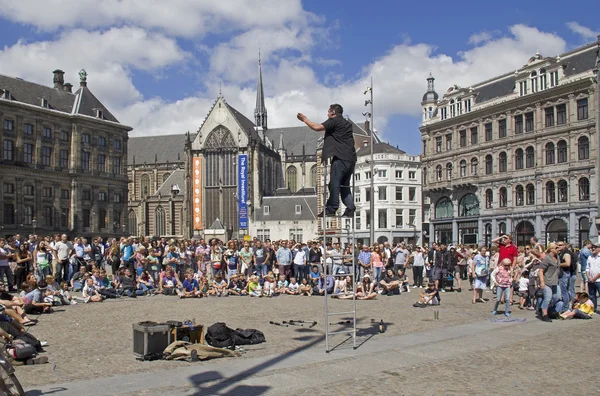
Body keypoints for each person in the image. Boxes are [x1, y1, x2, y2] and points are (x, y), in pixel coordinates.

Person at [297, 104, 357, 217]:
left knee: (334, 184)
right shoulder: (347, 124)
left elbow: (316, 127)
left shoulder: (334, 121)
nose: (327, 114)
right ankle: (350, 208)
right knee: (345, 185)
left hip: (340, 158)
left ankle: (331, 208)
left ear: (333, 112)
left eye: (328, 112)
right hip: (351, 159)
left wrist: (305, 119)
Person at [586, 243, 600, 312]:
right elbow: (587, 268)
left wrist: (594, 278)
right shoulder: (590, 257)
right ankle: (593, 309)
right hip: (591, 280)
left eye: (595, 247)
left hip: (598, 280)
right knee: (592, 296)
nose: (593, 249)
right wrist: (589, 277)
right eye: (592, 247)